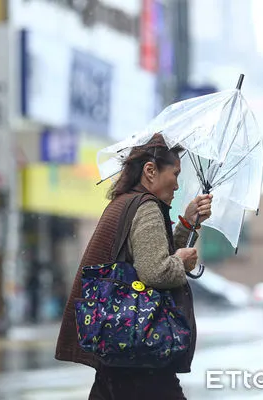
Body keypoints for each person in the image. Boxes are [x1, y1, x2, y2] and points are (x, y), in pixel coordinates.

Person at [55, 133, 213, 399]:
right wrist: (182, 262)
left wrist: (187, 222)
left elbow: (147, 257)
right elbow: (156, 272)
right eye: (175, 173)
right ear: (150, 170)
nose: (176, 184)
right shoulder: (147, 206)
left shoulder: (124, 201)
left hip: (118, 346)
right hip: (140, 349)